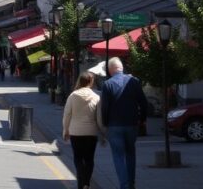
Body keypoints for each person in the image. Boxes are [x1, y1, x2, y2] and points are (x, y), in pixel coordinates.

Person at [99, 58, 149, 189]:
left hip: (114, 125)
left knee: (118, 156)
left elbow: (104, 108)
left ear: (110, 70)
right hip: (132, 124)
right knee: (130, 153)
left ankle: (125, 185)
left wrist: (105, 124)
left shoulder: (107, 84)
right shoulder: (134, 81)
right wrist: (142, 119)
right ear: (121, 68)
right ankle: (131, 183)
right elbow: (144, 103)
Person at [63, 73, 105, 189]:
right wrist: (103, 133)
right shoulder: (96, 97)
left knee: (78, 158)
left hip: (76, 132)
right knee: (89, 159)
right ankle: (86, 183)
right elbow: (99, 118)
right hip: (91, 132)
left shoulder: (72, 96)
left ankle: (81, 184)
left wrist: (65, 130)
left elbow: (67, 115)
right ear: (91, 82)